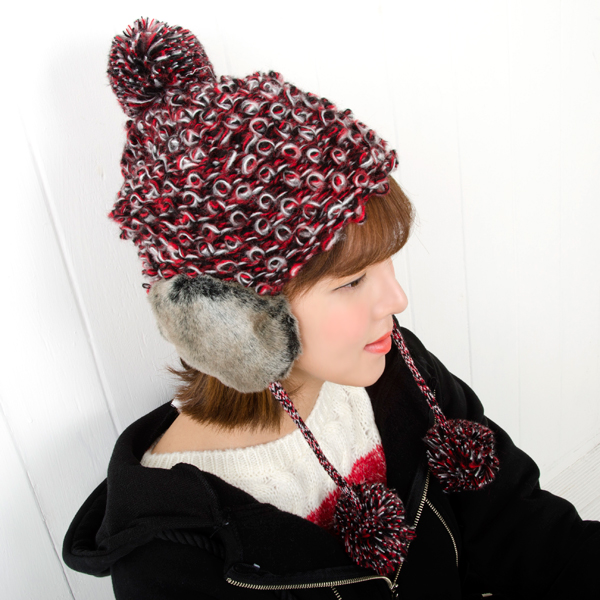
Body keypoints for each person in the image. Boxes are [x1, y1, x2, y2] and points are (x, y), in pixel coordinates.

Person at [63, 18, 600, 600]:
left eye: (388, 264)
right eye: (352, 281)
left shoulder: (397, 368)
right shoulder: (170, 559)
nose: (396, 300)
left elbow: (525, 530)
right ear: (229, 321)